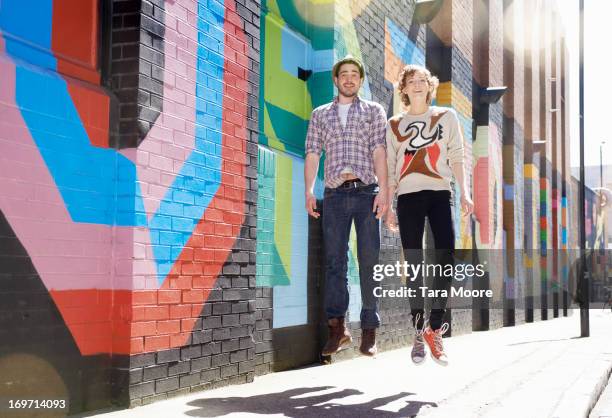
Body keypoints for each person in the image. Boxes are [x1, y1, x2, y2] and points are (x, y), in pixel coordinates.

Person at [385, 64, 473, 366]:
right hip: (407, 197)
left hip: (440, 194)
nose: (418, 84)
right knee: (414, 264)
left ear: (429, 85)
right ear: (404, 89)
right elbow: (391, 165)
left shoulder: (445, 117)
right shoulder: (395, 124)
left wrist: (466, 192)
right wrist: (389, 204)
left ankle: (434, 328)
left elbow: (458, 155)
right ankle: (418, 329)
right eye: (412, 81)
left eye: (423, 80)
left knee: (445, 255)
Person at [304, 55, 388, 357]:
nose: (349, 79)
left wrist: (385, 191)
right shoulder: (320, 115)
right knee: (334, 262)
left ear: (361, 80)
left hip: (367, 192)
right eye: (344, 74)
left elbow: (380, 152)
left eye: (355, 74)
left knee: (369, 260)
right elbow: (313, 153)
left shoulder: (373, 111)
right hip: (335, 194)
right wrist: (308, 191)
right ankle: (338, 329)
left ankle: (369, 330)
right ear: (336, 80)